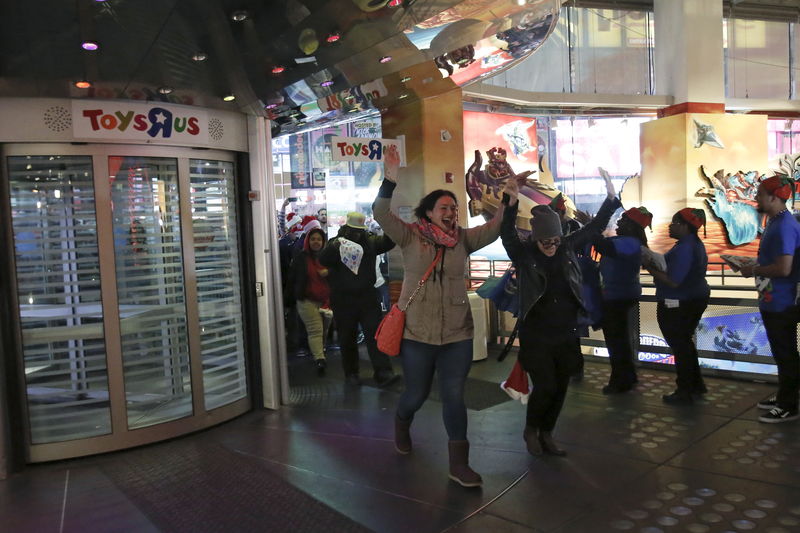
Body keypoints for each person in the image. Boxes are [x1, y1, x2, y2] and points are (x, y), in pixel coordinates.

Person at [374, 147, 513, 488]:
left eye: (453, 208)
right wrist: (390, 178)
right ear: (430, 212)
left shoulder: (463, 239)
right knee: (416, 394)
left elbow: (494, 228)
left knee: (454, 395)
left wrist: (508, 198)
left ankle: (459, 465)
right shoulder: (409, 235)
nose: (451, 212)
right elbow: (380, 212)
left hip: (456, 335)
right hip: (417, 336)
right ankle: (402, 422)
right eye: (444, 208)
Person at [501, 173, 620, 457]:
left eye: (555, 239)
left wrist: (611, 198)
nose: (551, 245)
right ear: (535, 237)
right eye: (546, 241)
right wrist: (511, 197)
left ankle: (547, 433)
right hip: (537, 333)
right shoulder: (524, 253)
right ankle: (531, 429)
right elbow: (506, 231)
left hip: (565, 331)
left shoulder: (567, 246)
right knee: (546, 385)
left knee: (562, 385)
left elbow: (594, 229)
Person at [739, 175, 800, 423]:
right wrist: (757, 263)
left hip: (782, 302)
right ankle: (786, 393)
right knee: (782, 352)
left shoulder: (785, 225)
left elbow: (784, 268)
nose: (756, 197)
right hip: (773, 299)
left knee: (785, 353)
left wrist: (752, 269)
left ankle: (789, 405)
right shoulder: (775, 221)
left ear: (774, 197)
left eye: (760, 193)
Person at [319, 211, 397, 387]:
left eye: (358, 231)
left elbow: (388, 242)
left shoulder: (368, 242)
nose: (356, 234)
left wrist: (388, 221)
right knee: (349, 337)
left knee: (373, 335)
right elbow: (324, 259)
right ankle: (354, 373)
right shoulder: (337, 244)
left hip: (363, 296)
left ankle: (379, 371)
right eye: (354, 231)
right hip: (346, 297)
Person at [644, 208, 710, 405]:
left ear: (684, 226)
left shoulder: (685, 248)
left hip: (679, 302)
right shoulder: (691, 245)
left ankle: (685, 389)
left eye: (674, 222)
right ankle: (695, 384)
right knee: (684, 343)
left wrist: (649, 266)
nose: (670, 226)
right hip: (693, 297)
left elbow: (673, 281)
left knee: (680, 345)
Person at [595, 206, 653, 394]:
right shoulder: (630, 242)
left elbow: (603, 246)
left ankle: (620, 381)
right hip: (622, 294)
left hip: (617, 296)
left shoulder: (629, 243)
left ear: (633, 226)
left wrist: (593, 227)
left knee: (616, 340)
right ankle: (628, 375)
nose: (619, 222)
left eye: (624, 220)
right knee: (620, 338)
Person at [290, 227, 334, 375]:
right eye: (313, 239)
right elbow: (292, 279)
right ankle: (320, 359)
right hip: (306, 300)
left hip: (326, 301)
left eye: (319, 239)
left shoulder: (328, 258)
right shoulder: (300, 258)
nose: (316, 242)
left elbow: (338, 274)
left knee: (324, 331)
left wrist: (329, 272)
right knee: (316, 329)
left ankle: (319, 352)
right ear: (308, 240)